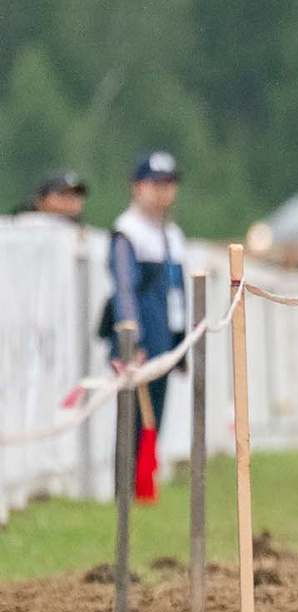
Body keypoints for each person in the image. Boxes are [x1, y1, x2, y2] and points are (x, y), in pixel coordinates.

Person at [102, 151, 188, 503]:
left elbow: (177, 294)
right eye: (154, 184)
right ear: (137, 187)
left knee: (155, 417)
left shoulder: (173, 235)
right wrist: (131, 338)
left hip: (166, 340)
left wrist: (181, 342)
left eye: (168, 184)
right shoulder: (128, 233)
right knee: (132, 421)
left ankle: (143, 486)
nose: (161, 192)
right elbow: (124, 287)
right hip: (137, 342)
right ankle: (125, 491)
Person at [17, 169, 88, 219]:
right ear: (41, 201)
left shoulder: (89, 236)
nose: (71, 201)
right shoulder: (20, 226)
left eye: (76, 196)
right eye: (63, 194)